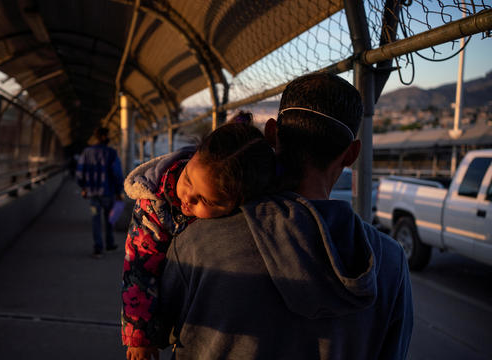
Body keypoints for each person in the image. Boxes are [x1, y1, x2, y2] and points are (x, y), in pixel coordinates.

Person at [158, 73, 413, 359]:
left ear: (271, 133)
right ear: (351, 154)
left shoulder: (199, 241)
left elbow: (160, 328)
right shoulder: (389, 263)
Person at [121, 123, 276, 360]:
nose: (187, 198)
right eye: (189, 181)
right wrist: (140, 336)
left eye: (205, 200)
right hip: (167, 306)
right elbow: (138, 270)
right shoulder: (153, 205)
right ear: (193, 154)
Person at [76, 127, 124, 258]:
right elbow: (117, 174)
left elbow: (80, 172)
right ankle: (109, 244)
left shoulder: (86, 152)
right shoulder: (111, 153)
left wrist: (84, 188)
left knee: (95, 220)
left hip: (92, 194)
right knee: (109, 219)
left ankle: (98, 248)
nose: (109, 138)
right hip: (108, 193)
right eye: (107, 135)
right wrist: (119, 191)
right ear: (103, 137)